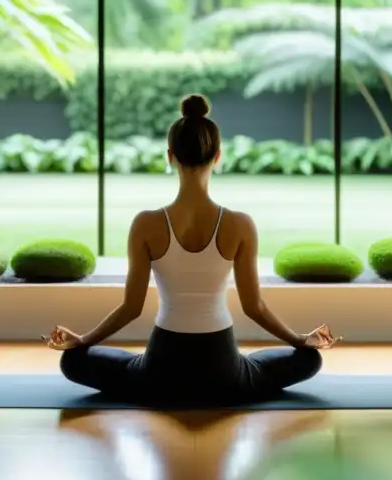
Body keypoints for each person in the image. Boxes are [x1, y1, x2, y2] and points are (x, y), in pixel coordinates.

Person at [44, 93, 339, 407]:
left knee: (72, 362)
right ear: (217, 157)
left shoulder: (145, 224)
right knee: (309, 360)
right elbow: (255, 307)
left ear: (170, 156)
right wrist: (299, 339)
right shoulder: (240, 225)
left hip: (160, 371)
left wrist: (84, 340)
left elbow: (131, 308)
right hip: (224, 371)